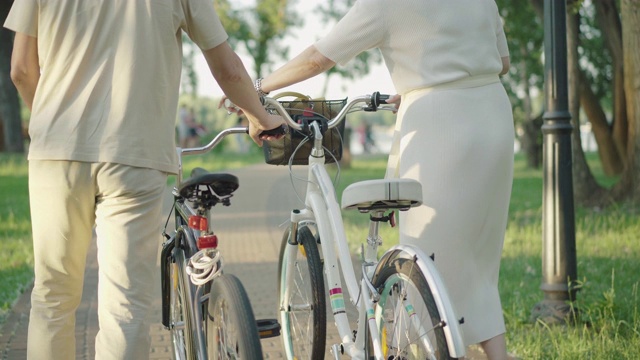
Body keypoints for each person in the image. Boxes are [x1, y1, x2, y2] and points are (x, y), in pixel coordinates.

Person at [4, 1, 283, 359]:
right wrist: (258, 116)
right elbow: (226, 68)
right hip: (135, 154)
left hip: (57, 153)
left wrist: (51, 126)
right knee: (125, 307)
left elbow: (21, 70)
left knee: (52, 297)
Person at [257, 1, 514, 359]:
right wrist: (424, 75)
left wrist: (258, 87)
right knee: (479, 258)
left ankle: (423, 347)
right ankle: (496, 354)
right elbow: (502, 62)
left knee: (426, 254)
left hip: (441, 123)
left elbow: (319, 57)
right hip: (494, 117)